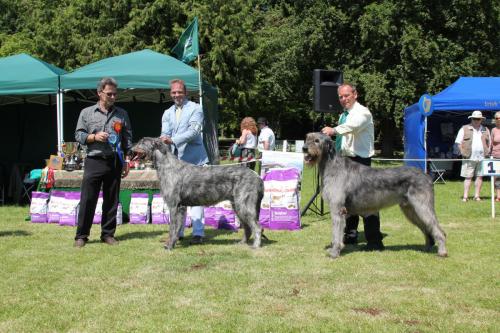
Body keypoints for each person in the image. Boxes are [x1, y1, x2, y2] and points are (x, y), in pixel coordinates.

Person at [321, 83, 384, 251]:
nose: (343, 99)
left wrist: (333, 130)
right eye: (340, 97)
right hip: (346, 162)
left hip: (361, 162)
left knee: (368, 202)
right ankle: (350, 235)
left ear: (355, 94)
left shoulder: (362, 112)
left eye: (346, 95)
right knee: (347, 201)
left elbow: (352, 127)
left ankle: (375, 242)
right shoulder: (345, 115)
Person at [74, 77, 133, 248]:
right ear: (99, 93)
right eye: (109, 94)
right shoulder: (86, 113)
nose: (113, 97)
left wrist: (127, 160)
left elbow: (127, 139)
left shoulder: (122, 114)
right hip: (94, 159)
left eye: (115, 94)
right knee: (88, 199)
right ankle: (81, 235)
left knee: (112, 200)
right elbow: (78, 135)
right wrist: (93, 137)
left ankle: (107, 234)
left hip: (115, 161)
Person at [160, 79, 209, 245]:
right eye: (173, 92)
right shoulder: (167, 112)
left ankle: (198, 233)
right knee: (177, 200)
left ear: (185, 92)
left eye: (179, 92)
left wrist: (172, 140)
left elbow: (194, 132)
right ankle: (177, 233)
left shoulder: (196, 108)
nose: (176, 95)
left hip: (196, 161)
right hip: (176, 165)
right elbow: (164, 134)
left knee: (196, 199)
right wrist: (164, 139)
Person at [455, 110, 491, 202]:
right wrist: (463, 152)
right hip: (469, 157)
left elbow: (489, 143)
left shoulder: (485, 129)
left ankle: (477, 196)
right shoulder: (464, 128)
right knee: (468, 177)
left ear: (481, 119)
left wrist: (487, 151)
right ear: (471, 119)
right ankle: (465, 196)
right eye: (474, 118)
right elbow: (458, 142)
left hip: (482, 157)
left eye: (478, 119)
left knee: (479, 176)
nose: (476, 120)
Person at [491, 111, 500, 202]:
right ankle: (497, 196)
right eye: (497, 118)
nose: (499, 120)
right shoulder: (493, 130)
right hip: (496, 156)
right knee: (496, 177)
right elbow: (491, 144)